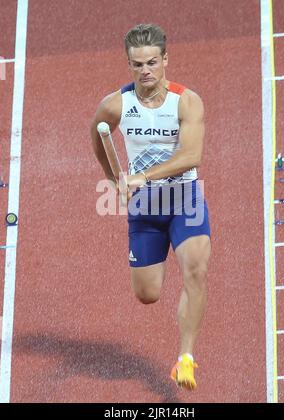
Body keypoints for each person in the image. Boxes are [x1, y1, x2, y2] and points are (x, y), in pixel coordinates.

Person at [90, 23, 211, 390]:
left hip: (185, 201)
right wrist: (113, 178)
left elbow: (192, 156)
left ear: (165, 60)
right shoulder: (116, 104)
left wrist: (143, 177)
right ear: (129, 64)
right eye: (137, 64)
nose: (145, 70)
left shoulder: (186, 101)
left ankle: (185, 359)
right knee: (148, 294)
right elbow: (96, 132)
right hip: (145, 210)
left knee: (196, 270)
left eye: (152, 62)